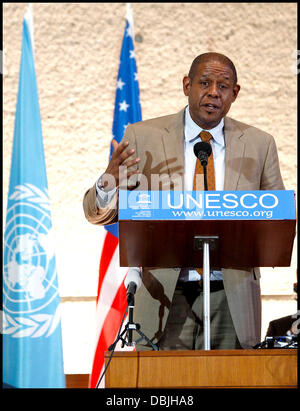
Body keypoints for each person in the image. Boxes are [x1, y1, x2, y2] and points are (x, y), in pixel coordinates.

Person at [83, 52, 285, 351]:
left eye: (223, 86)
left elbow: (277, 217)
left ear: (235, 93)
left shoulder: (259, 144)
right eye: (204, 82)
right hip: (164, 293)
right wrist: (108, 182)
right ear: (187, 85)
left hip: (232, 295)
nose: (213, 92)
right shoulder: (144, 137)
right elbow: (97, 214)